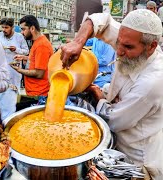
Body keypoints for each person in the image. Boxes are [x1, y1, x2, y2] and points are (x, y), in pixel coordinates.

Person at [60, 9, 163, 179]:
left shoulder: (152, 82)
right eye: (118, 43)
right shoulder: (128, 38)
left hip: (136, 160)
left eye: (128, 47)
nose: (119, 51)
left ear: (151, 46)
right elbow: (100, 20)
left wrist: (97, 93)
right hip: (115, 149)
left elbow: (114, 121)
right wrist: (78, 42)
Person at [10, 15, 53, 105]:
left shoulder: (42, 45)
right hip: (34, 92)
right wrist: (24, 57)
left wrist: (19, 70)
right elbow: (37, 60)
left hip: (39, 94)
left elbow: (39, 73)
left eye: (23, 29)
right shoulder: (37, 42)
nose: (22, 32)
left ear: (32, 28)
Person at [0, 17, 29, 120]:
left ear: (12, 27)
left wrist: (16, 49)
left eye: (6, 27)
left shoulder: (19, 37)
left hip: (14, 71)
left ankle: (9, 119)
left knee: (11, 96)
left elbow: (26, 51)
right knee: (0, 94)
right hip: (1, 70)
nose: (4, 30)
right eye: (3, 27)